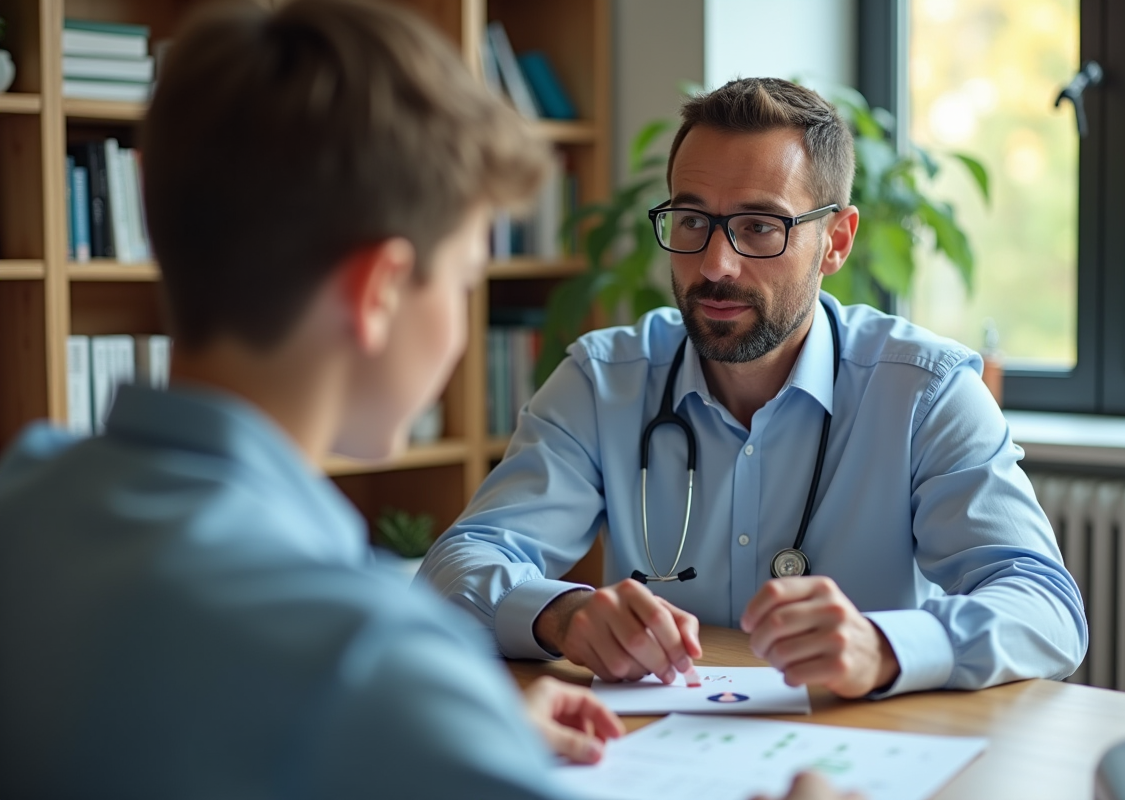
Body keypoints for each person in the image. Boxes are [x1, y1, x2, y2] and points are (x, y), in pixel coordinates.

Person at [0, 3, 851, 799]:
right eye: (462, 282)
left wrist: (462, 731)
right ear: (380, 291)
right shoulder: (368, 662)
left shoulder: (22, 501)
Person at [421, 77, 1088, 701]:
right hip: (659, 750)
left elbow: (1045, 607)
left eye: (760, 227)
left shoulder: (924, 394)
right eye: (691, 221)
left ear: (836, 242)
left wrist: (883, 645)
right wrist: (561, 616)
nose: (714, 264)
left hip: (857, 748)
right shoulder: (605, 381)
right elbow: (459, 563)